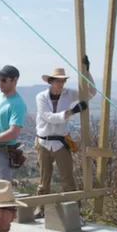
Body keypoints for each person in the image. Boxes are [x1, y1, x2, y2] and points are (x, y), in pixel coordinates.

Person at [35, 57, 97, 218]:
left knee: (67, 179)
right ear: (51, 81)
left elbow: (91, 93)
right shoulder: (41, 97)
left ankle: (72, 211)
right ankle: (40, 208)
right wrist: (72, 112)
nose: (60, 84)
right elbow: (48, 116)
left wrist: (87, 72)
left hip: (60, 142)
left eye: (63, 81)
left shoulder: (69, 94)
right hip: (43, 141)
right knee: (43, 180)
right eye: (57, 81)